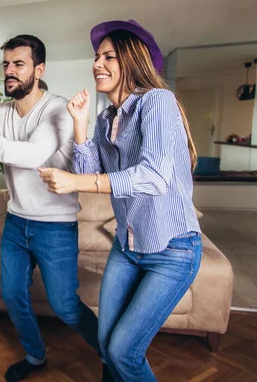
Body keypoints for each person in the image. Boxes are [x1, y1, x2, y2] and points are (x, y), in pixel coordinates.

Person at [39, 20, 202, 382]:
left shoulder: (158, 102)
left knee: (123, 351)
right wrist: (80, 123)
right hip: (127, 248)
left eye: (108, 56)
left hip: (172, 251)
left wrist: (77, 180)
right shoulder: (104, 118)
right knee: (105, 340)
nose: (97, 63)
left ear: (132, 60)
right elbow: (87, 170)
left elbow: (154, 176)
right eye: (97, 56)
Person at [0, 35, 102, 382]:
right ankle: (35, 356)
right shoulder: (1, 112)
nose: (9, 71)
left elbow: (33, 154)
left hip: (55, 225)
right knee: (13, 295)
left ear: (38, 69)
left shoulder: (58, 109)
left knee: (64, 305)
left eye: (18, 64)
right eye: (6, 64)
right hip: (17, 221)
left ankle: (110, 353)